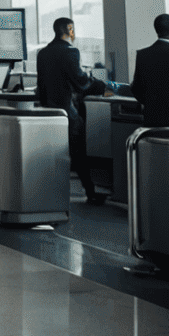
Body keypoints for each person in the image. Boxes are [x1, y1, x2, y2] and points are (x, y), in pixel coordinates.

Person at [36, 16, 108, 205]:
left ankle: (48, 192)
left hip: (49, 111)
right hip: (67, 110)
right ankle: (90, 192)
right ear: (69, 29)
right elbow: (81, 82)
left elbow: (41, 85)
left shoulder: (43, 53)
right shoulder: (70, 52)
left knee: (52, 153)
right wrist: (103, 86)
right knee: (79, 150)